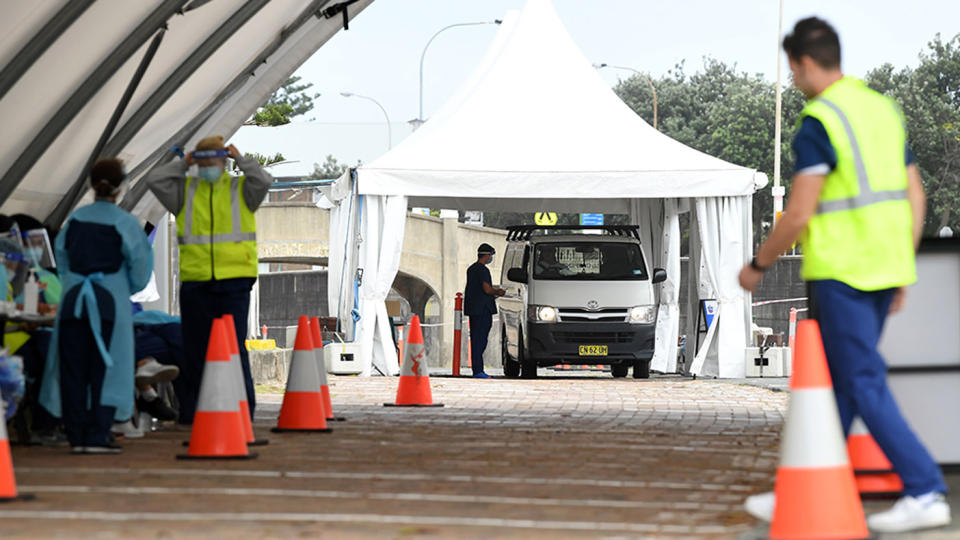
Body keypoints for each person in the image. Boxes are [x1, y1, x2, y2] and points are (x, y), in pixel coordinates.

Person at [739, 18, 950, 533]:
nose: (793, 81)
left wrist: (758, 265)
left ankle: (925, 489)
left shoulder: (819, 122)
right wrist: (902, 265)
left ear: (806, 63)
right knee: (846, 386)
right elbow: (914, 195)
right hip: (883, 267)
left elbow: (799, 213)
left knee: (859, 379)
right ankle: (799, 484)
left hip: (842, 273)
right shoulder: (882, 109)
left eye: (792, 71)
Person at [145, 135, 271, 426]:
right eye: (201, 161)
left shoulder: (242, 190)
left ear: (224, 160)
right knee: (196, 351)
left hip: (234, 281)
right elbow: (155, 180)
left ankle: (243, 414)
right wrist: (184, 162)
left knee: (235, 348)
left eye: (213, 159)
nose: (208, 165)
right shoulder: (185, 192)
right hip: (197, 282)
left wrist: (241, 158)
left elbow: (263, 180)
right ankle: (196, 414)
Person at [38, 158, 153, 454]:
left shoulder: (75, 220)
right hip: (109, 302)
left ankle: (76, 434)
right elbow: (140, 270)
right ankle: (98, 434)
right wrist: (121, 286)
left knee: (73, 367)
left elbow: (61, 261)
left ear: (91, 185)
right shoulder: (125, 222)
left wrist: (75, 280)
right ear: (120, 189)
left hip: (74, 300)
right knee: (108, 367)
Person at [463, 243, 505, 379]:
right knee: (480, 340)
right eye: (490, 256)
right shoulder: (483, 270)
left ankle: (478, 369)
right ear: (486, 255)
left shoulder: (471, 269)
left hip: (474, 309)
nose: (490, 258)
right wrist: (497, 291)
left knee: (476, 339)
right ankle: (478, 371)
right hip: (482, 309)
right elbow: (487, 289)